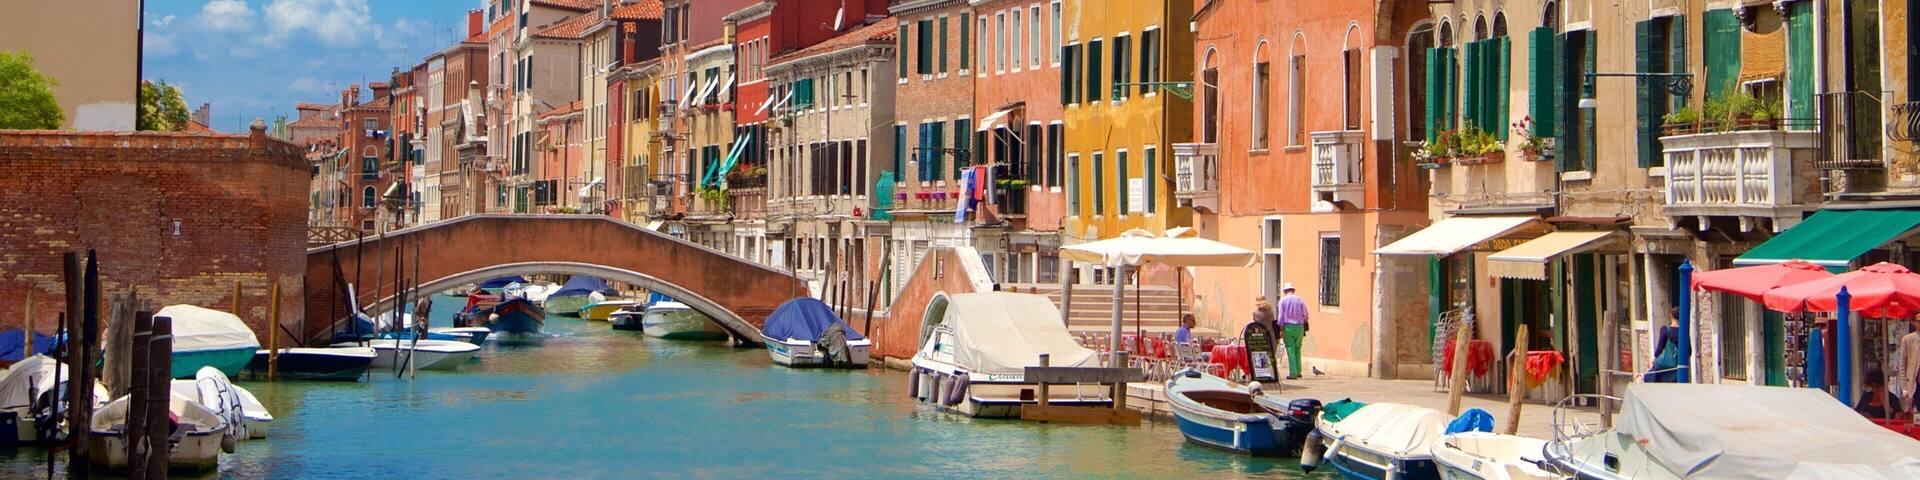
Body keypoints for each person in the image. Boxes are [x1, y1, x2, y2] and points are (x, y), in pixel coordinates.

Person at [1277, 283, 1310, 380]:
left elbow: (1281, 317)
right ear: (1293, 290)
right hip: (1300, 327)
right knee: (1298, 349)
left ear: (1285, 291)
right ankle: (1299, 371)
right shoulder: (1299, 299)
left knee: (1290, 349)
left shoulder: (1283, 300)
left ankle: (1293, 373)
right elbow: (1306, 314)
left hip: (1288, 327)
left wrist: (1281, 328)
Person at [1645, 307, 1682, 383]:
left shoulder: (1665, 330)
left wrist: (1655, 359)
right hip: (1678, 366)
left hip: (1664, 366)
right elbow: (1689, 351)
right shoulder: (1683, 332)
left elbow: (1660, 347)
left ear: (1671, 316)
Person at [1898, 320, 1920, 419]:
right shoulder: (1907, 339)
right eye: (1919, 321)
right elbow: (1903, 365)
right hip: (1915, 383)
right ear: (1914, 322)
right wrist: (1905, 388)